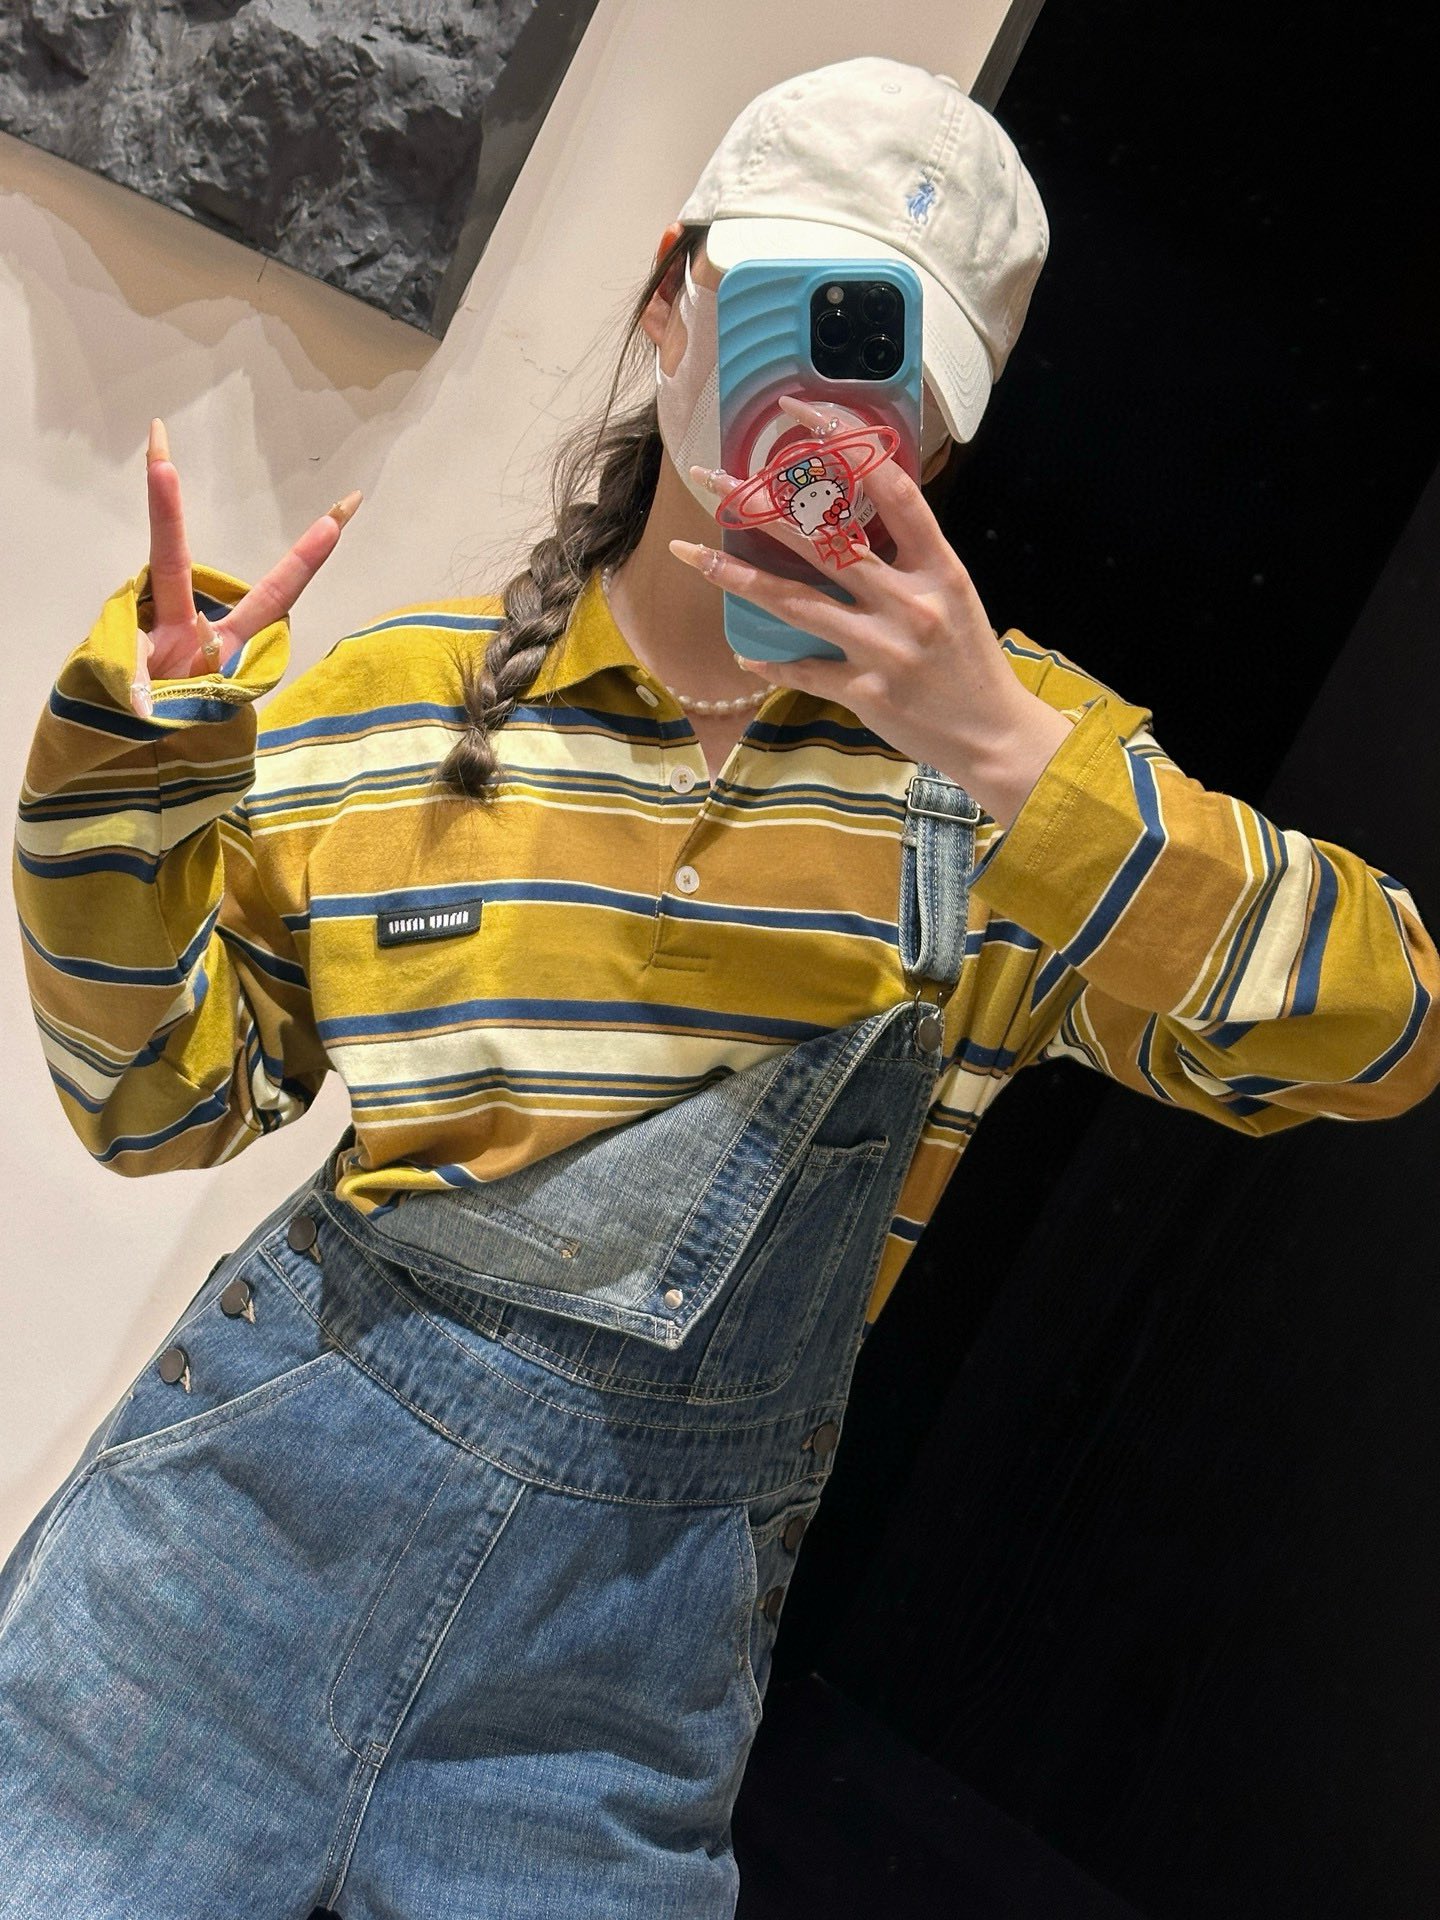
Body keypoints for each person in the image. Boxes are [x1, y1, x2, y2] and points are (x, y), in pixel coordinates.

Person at [4, 52, 1439, 1920]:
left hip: (605, 1724)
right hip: (200, 1605)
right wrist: (109, 795)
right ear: (669, 299)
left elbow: (1383, 1032)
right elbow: (158, 1110)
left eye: (894, 367)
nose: (821, 402)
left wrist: (1009, 756)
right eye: (791, 312)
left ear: (943, 436)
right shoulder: (404, 705)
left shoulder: (1021, 784)